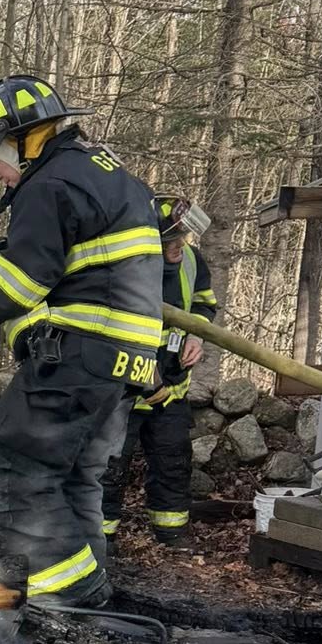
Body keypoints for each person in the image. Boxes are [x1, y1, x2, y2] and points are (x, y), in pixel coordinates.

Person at [0, 75, 164, 611]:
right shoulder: (106, 173)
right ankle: (93, 601)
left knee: (8, 469)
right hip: (124, 360)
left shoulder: (49, 184)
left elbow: (13, 291)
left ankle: (71, 605)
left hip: (84, 352)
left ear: (27, 138)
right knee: (73, 482)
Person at [100, 195, 217, 548]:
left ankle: (172, 533)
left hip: (174, 387)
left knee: (173, 462)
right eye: (172, 241)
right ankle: (100, 539)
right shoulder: (123, 266)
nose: (179, 247)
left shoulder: (193, 262)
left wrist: (197, 335)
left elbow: (204, 305)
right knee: (109, 466)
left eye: (183, 238)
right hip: (124, 392)